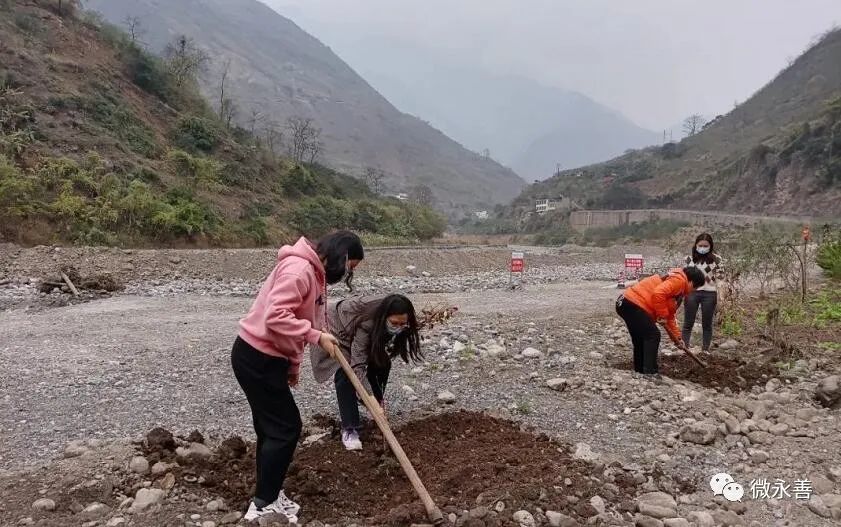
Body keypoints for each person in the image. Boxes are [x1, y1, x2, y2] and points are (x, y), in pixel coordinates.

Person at [231, 230, 364, 523]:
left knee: (271, 429)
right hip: (257, 356)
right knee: (286, 428)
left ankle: (270, 491)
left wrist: (292, 367)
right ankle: (263, 505)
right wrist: (316, 337)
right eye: (349, 267)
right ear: (341, 256)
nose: (346, 274)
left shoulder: (315, 275)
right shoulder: (299, 269)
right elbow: (276, 316)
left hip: (269, 358)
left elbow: (297, 323)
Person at [310, 294, 422, 450]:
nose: (398, 327)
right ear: (384, 318)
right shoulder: (368, 323)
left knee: (382, 363)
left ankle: (374, 404)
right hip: (333, 328)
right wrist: (371, 400)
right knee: (347, 373)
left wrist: (374, 403)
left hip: (355, 329)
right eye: (394, 323)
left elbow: (375, 350)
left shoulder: (399, 321)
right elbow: (358, 366)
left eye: (402, 324)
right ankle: (350, 429)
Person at [615, 266, 706, 375]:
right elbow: (658, 293)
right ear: (691, 282)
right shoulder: (680, 281)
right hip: (633, 304)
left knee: (640, 339)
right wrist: (662, 315)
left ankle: (639, 372)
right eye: (695, 288)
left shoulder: (675, 286)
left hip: (625, 303)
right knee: (653, 335)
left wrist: (677, 338)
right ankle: (650, 372)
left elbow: (669, 317)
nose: (692, 291)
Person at [682, 233, 725, 352]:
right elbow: (684, 277)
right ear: (696, 245)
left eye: (705, 245)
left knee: (707, 323)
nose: (702, 248)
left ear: (710, 246)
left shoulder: (717, 259)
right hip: (692, 293)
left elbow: (721, 278)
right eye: (700, 245)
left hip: (710, 293)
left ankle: (705, 349)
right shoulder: (688, 259)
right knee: (688, 322)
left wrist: (721, 297)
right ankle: (684, 347)